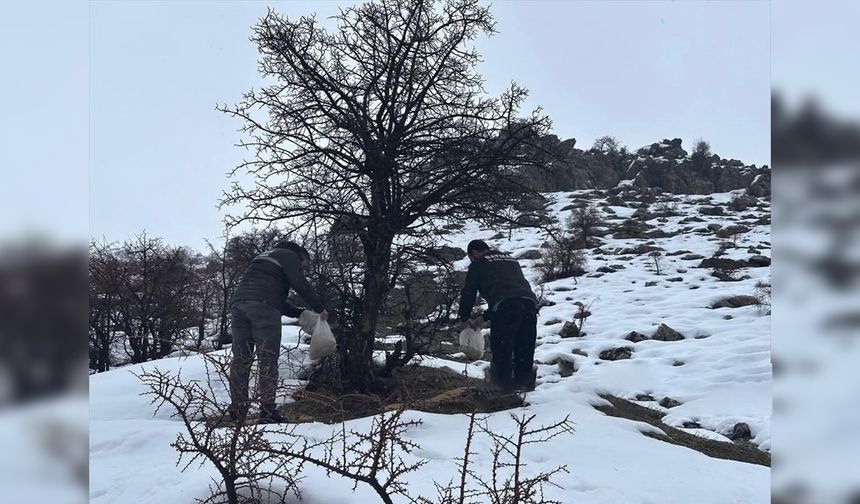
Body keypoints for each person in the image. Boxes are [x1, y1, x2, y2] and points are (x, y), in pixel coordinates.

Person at [228, 240, 327, 423]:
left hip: (238, 305)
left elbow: (270, 296)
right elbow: (299, 283)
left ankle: (238, 409)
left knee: (241, 359)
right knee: (267, 358)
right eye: (305, 265)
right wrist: (320, 308)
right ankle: (267, 411)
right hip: (264, 309)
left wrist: (299, 313)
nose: (304, 269)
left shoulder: (264, 257)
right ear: (301, 255)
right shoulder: (289, 256)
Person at [458, 239, 538, 392]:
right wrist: (483, 317)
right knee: (524, 350)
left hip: (506, 307)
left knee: (502, 351)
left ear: (473, 253)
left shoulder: (478, 264)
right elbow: (511, 291)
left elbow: (469, 292)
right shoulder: (511, 260)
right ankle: (526, 392)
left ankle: (502, 393)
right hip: (529, 304)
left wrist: (464, 316)